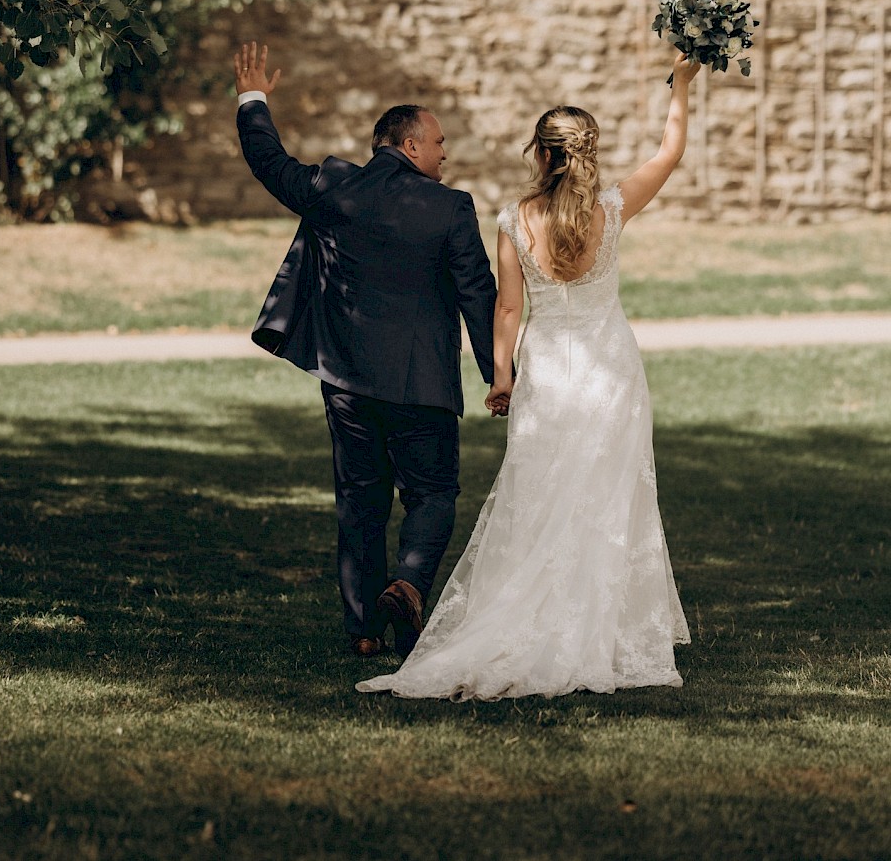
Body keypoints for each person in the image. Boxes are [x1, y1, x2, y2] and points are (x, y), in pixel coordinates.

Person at [357, 51, 701, 699]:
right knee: (608, 495)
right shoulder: (613, 206)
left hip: (547, 371)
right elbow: (670, 152)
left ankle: (539, 617)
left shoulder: (517, 218)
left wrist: (501, 377)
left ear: (540, 154)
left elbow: (508, 307)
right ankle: (604, 625)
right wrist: (680, 87)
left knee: (538, 493)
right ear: (588, 152)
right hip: (611, 372)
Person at [233, 42, 498, 660]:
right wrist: (499, 375)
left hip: (346, 381)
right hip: (423, 386)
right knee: (432, 495)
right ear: (408, 145)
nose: (445, 154)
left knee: (360, 499)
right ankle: (407, 582)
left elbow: (270, 163)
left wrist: (253, 100)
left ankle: (362, 630)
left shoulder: (335, 188)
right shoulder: (450, 208)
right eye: (437, 144)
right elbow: (477, 297)